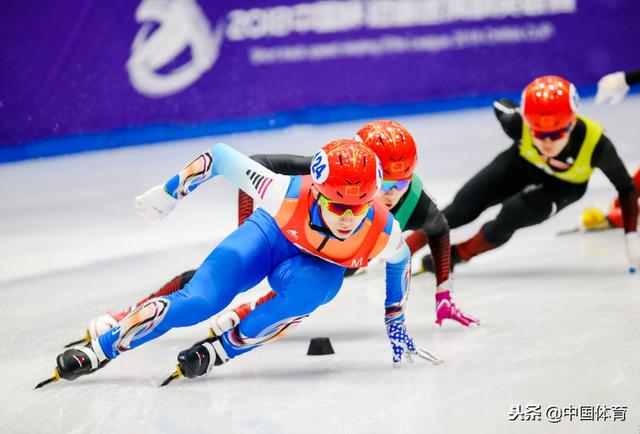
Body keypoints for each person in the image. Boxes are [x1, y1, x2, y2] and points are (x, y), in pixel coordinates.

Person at [40, 139, 440, 387]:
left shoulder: (382, 231)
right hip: (268, 238)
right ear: (317, 191)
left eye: (359, 206)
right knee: (199, 301)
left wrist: (395, 322)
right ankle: (102, 349)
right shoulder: (282, 189)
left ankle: (221, 352)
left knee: (317, 289)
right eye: (337, 205)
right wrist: (169, 193)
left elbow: (400, 264)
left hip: (308, 270)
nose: (348, 217)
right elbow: (221, 158)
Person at [69, 121, 477, 349]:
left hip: (331, 260)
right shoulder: (332, 176)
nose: (386, 194)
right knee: (212, 279)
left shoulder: (415, 202)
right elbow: (255, 164)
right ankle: (130, 315)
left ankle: (245, 315)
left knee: (310, 285)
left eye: (399, 184)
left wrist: (443, 294)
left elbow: (439, 232)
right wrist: (248, 227)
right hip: (284, 233)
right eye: (381, 182)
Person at [419, 75, 639, 274]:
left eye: (556, 133)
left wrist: (631, 234)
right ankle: (408, 248)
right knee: (462, 207)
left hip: (564, 186)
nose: (547, 142)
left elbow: (626, 187)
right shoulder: (517, 123)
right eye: (539, 133)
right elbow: (501, 104)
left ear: (572, 124)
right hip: (522, 163)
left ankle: (459, 255)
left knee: (512, 215)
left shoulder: (597, 145)